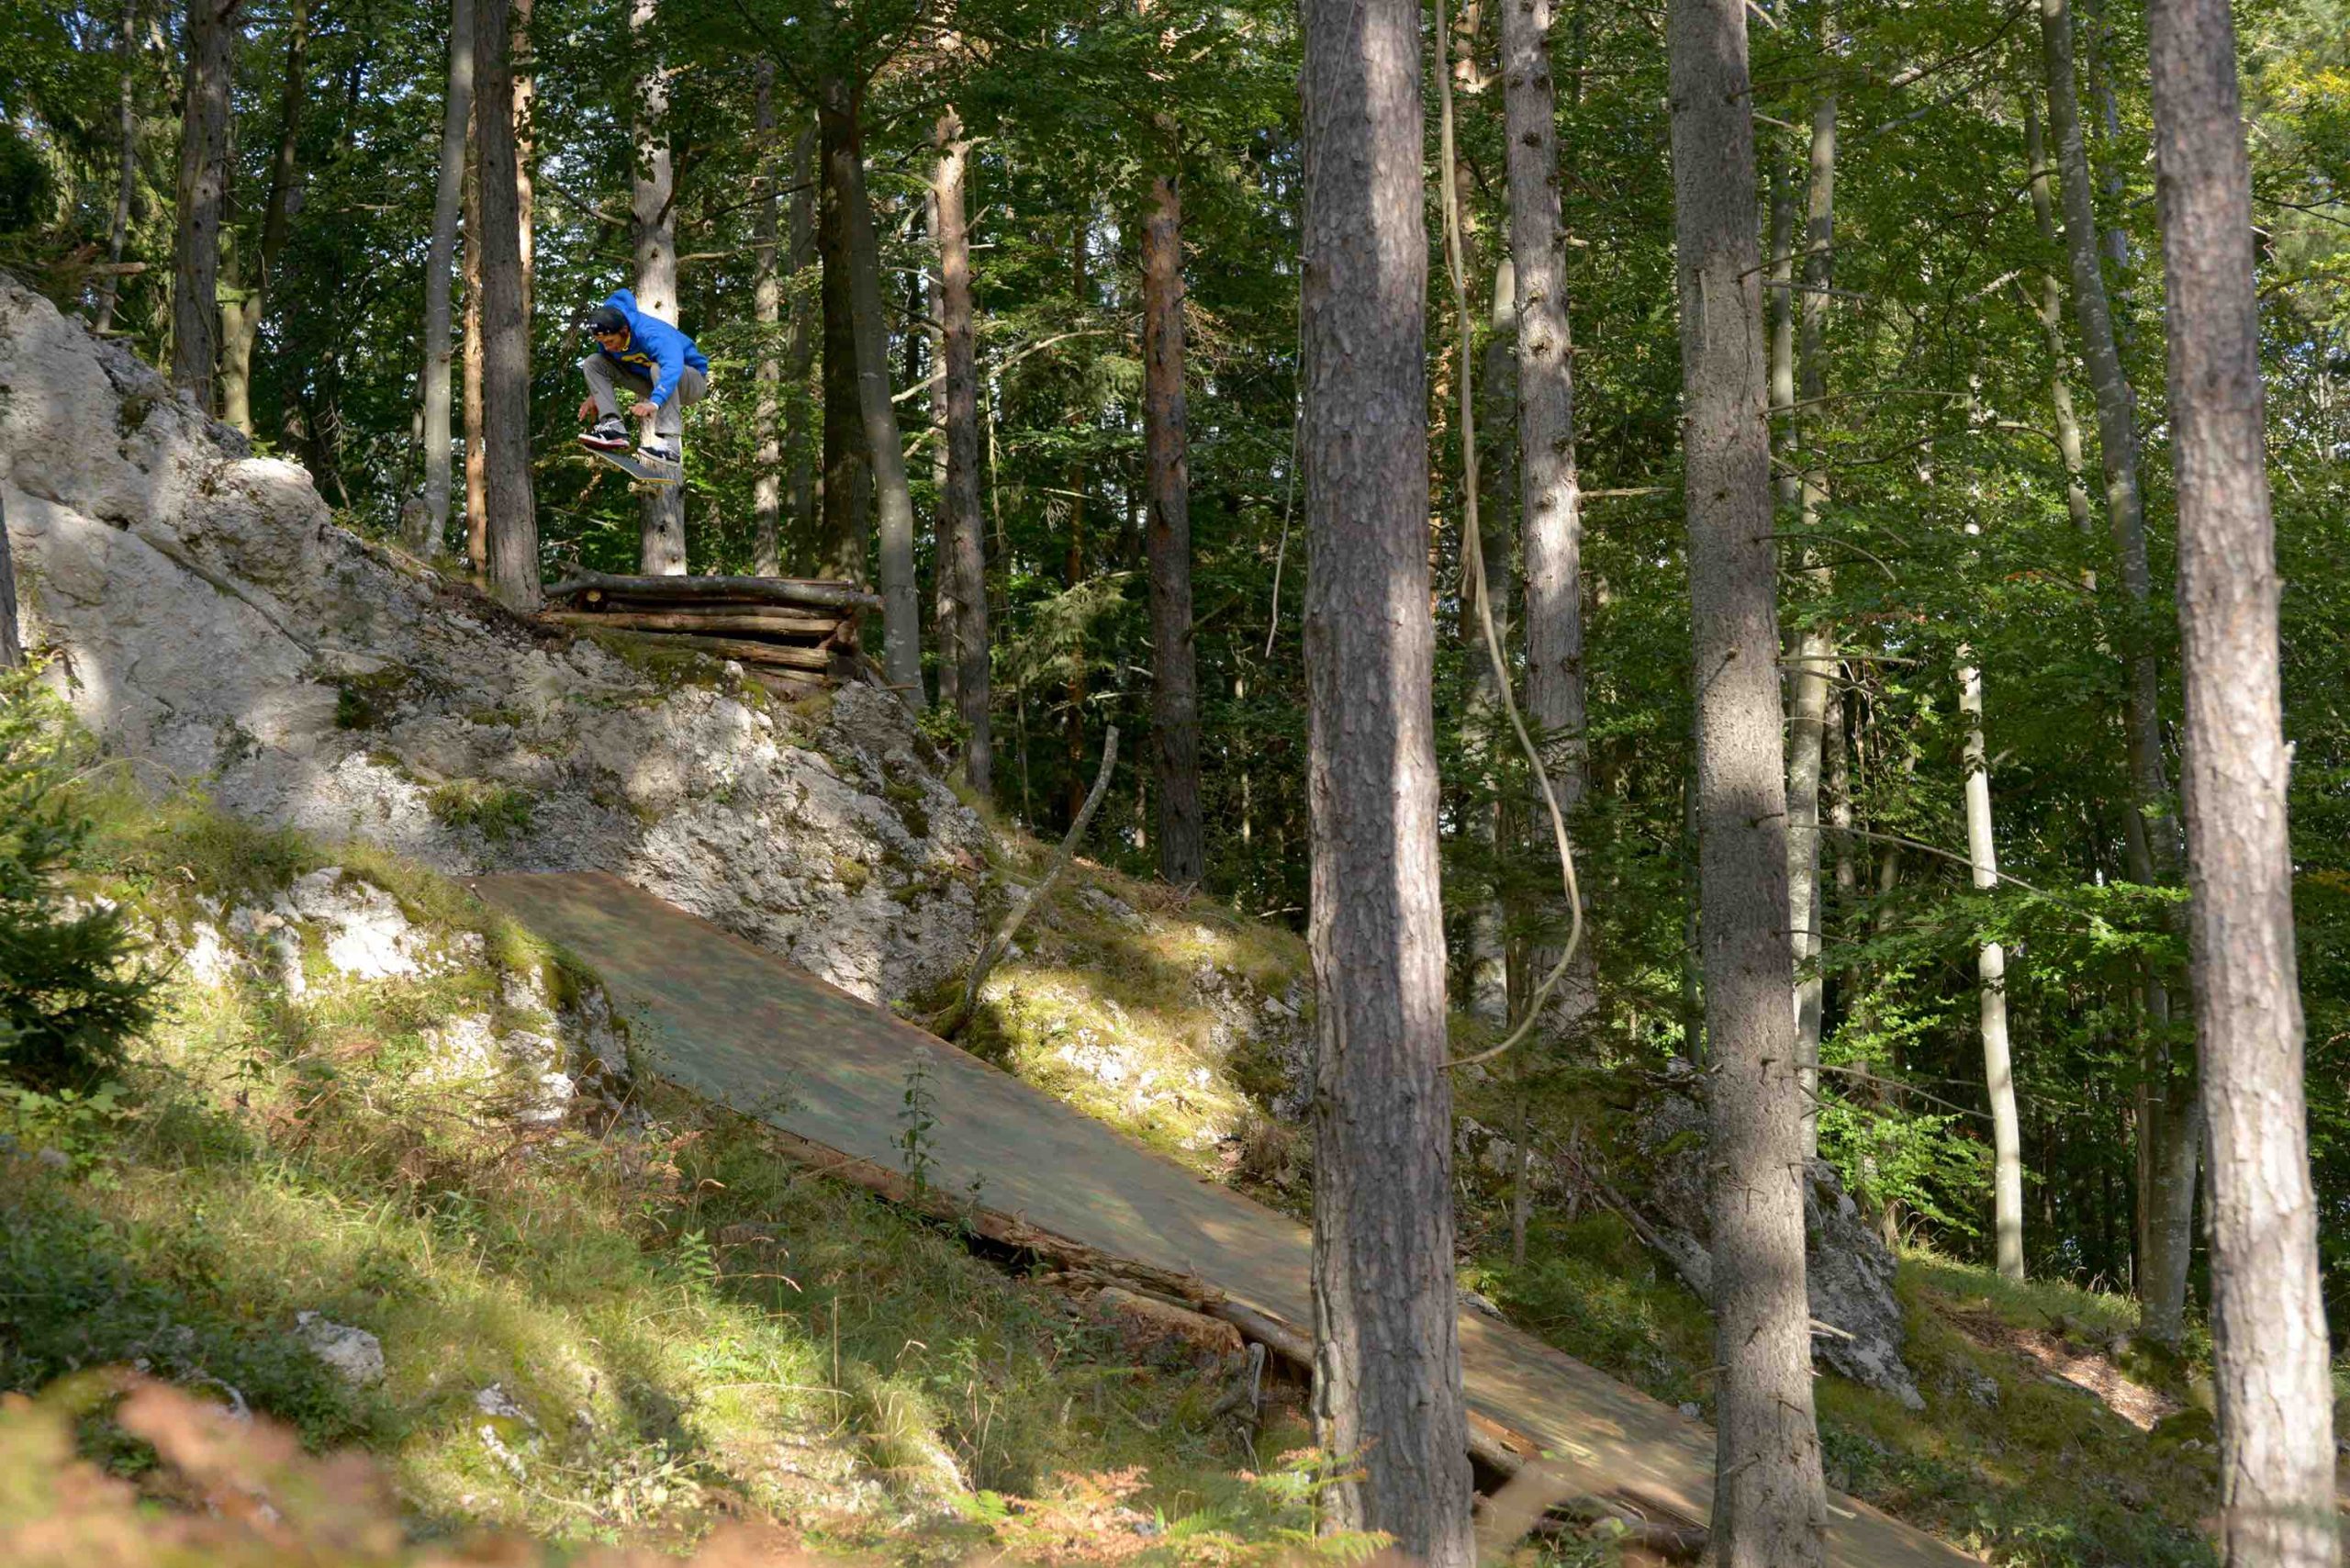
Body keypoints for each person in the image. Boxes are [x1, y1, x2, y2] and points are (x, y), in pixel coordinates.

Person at [575, 291, 710, 466]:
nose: (607, 347)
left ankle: (671, 446)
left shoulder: (649, 333)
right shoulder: (607, 340)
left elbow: (672, 365)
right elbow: (604, 365)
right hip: (650, 382)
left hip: (690, 382)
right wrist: (595, 395)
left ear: (624, 331)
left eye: (610, 341)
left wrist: (654, 403)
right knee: (594, 362)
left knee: (657, 367)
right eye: (603, 342)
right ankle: (613, 428)